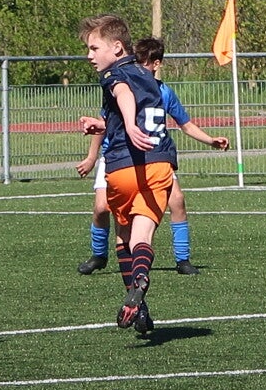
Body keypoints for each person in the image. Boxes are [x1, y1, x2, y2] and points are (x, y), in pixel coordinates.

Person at [75, 37, 228, 276]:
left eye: (143, 63)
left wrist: (210, 140)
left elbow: (186, 124)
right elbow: (107, 123)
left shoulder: (163, 92)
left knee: (177, 200)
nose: (138, 67)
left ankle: (182, 259)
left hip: (152, 155)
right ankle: (99, 255)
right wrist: (91, 157)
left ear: (156, 64)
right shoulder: (121, 83)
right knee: (102, 207)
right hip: (118, 155)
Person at [74, 15, 175, 337]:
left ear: (117, 47)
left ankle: (139, 305)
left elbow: (124, 95)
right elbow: (135, 106)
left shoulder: (113, 73)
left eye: (94, 48)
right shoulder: (149, 76)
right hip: (159, 164)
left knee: (123, 237)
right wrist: (106, 124)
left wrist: (128, 125)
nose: (89, 55)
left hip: (123, 166)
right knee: (143, 238)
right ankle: (142, 279)